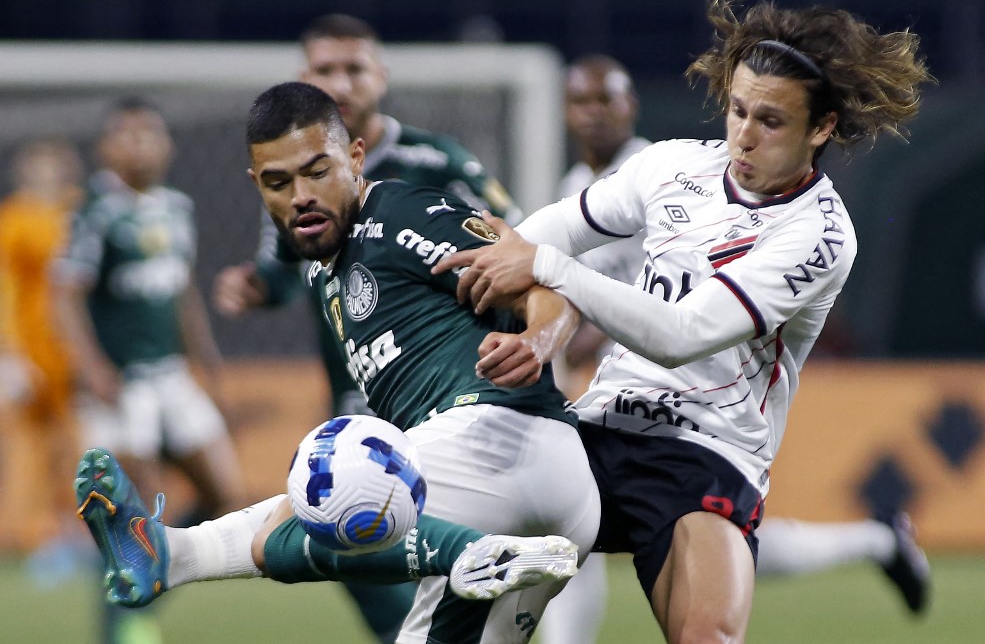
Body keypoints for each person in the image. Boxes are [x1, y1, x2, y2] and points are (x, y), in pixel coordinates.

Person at [434, 0, 935, 642]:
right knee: (463, 555)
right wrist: (520, 280)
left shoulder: (820, 233)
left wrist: (546, 267)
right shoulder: (671, 165)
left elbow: (683, 334)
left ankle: (877, 541)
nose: (744, 135)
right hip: (598, 429)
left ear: (821, 129)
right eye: (738, 110)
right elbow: (551, 229)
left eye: (772, 121)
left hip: (703, 451)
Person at [76, 81, 599, 644]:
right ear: (258, 186)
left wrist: (539, 340)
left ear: (354, 157)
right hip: (542, 504)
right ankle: (173, 554)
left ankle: (176, 553)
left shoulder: (406, 211)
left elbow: (543, 285)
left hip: (499, 439)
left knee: (335, 480)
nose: (300, 194)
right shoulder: (325, 270)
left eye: (317, 172)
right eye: (279, 182)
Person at [213, 16, 522, 640]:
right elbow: (279, 269)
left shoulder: (436, 161)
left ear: (380, 77)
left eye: (354, 68)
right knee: (344, 527)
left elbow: (514, 242)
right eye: (326, 70)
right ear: (307, 80)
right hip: (358, 389)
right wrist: (253, 285)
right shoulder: (291, 180)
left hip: (444, 386)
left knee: (399, 527)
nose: (343, 81)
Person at [53, 98, 249, 643]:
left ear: (168, 145)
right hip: (123, 381)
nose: (141, 144)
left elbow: (181, 288)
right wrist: (90, 365)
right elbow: (65, 293)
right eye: (128, 134)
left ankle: (153, 576)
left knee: (222, 489)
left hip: (173, 377)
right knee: (127, 506)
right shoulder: (93, 209)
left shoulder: (175, 207)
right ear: (106, 148)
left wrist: (205, 357)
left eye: (150, 133)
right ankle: (121, 626)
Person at [0, 137, 84, 565]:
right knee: (36, 446)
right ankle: (38, 534)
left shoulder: (80, 212)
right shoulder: (14, 219)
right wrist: (10, 352)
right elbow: (8, 288)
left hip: (79, 348)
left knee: (80, 444)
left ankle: (82, 533)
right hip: (36, 349)